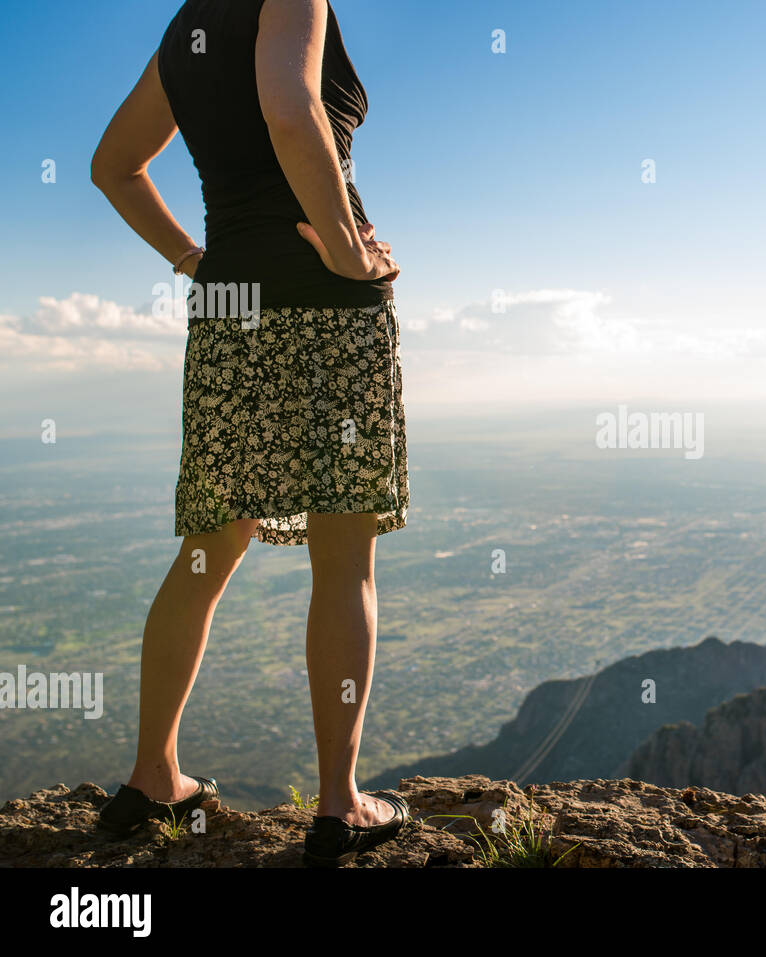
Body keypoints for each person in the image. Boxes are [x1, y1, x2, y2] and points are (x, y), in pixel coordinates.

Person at [89, 0, 410, 866]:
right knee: (344, 558)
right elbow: (288, 106)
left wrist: (196, 259)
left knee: (204, 552)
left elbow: (112, 167)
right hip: (328, 305)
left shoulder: (186, 30)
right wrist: (345, 247)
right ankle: (340, 805)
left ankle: (153, 775)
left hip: (231, 309)